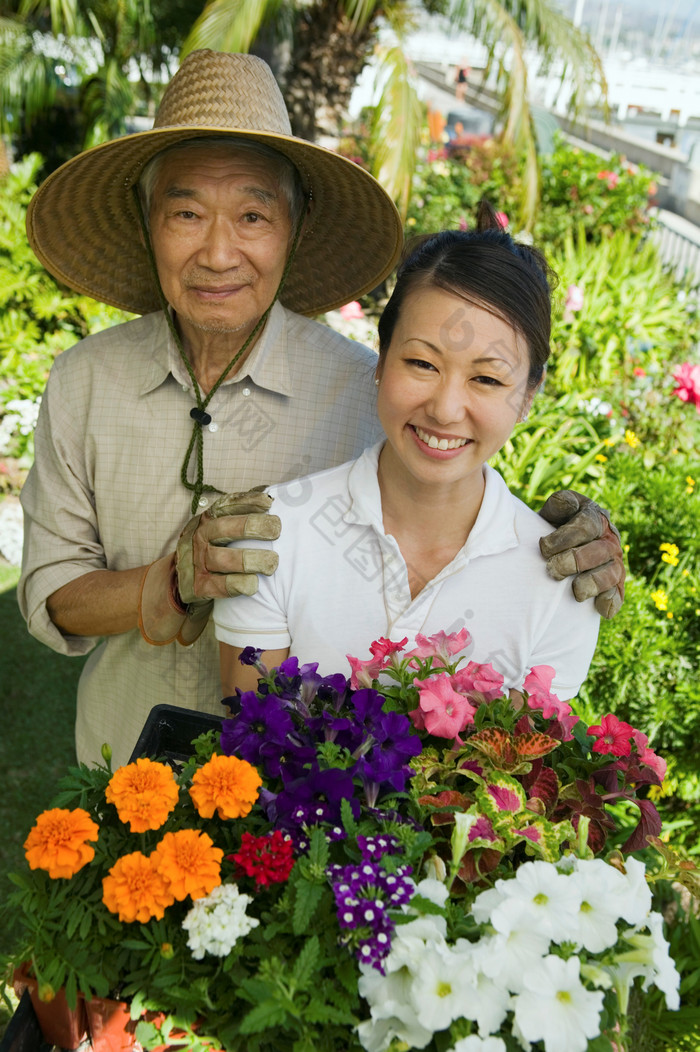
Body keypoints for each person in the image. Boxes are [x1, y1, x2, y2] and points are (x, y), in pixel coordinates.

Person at [18, 50, 622, 770]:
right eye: (185, 212)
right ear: (147, 223)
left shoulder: (368, 388)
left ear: (295, 230)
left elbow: (454, 478)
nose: (218, 253)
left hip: (305, 789)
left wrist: (571, 544)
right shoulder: (85, 380)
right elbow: (51, 595)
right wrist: (173, 580)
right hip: (124, 771)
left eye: (252, 214)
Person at [216, 209, 600, 699]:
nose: (444, 409)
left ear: (528, 393)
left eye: (486, 378)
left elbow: (529, 765)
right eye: (421, 363)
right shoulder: (272, 535)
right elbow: (248, 739)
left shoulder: (564, 582)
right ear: (381, 357)